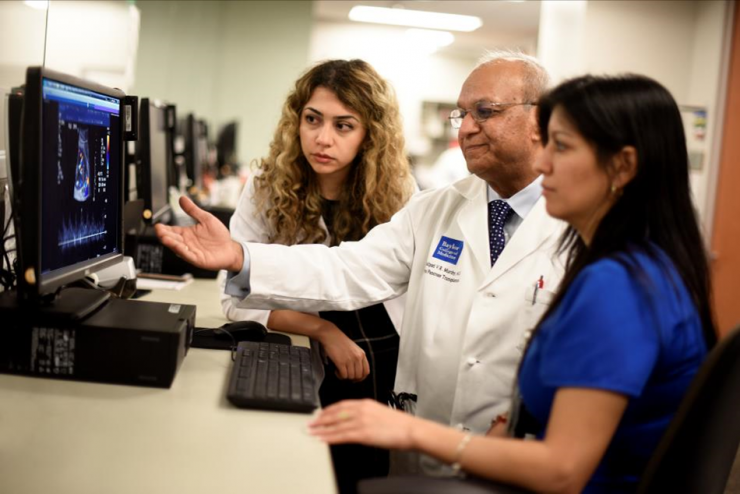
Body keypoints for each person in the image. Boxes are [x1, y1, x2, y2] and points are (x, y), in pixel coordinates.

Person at [155, 50, 566, 475]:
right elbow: (346, 269)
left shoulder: (583, 228)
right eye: (461, 115)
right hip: (424, 446)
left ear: (541, 120)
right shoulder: (437, 209)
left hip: (523, 458)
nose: (466, 129)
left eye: (485, 111)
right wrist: (242, 257)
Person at [307, 74, 716, 493]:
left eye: (562, 146)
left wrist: (410, 431)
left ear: (623, 166)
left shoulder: (618, 286)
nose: (542, 164)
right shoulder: (646, 265)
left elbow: (562, 469)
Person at [219, 59, 415, 492]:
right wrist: (322, 329)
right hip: (305, 347)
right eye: (312, 119)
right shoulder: (269, 187)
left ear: (370, 135)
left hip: (380, 354)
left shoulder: (400, 194)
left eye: (344, 126)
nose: (322, 139)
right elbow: (234, 299)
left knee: (359, 474)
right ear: (297, 120)